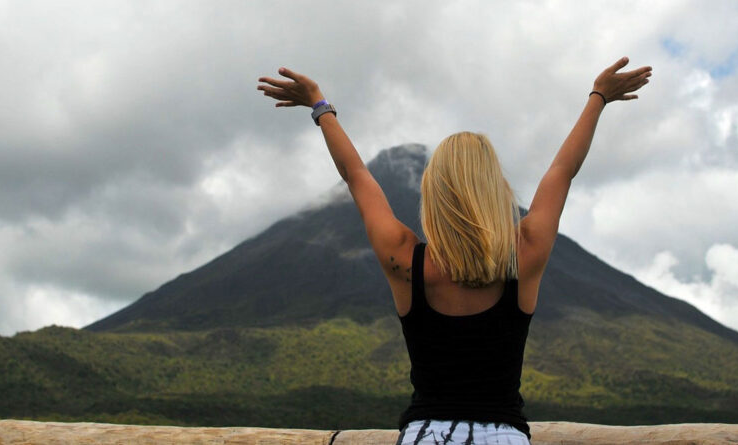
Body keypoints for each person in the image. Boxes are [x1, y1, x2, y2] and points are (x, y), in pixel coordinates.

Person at [257, 57, 652, 445]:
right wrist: (598, 97)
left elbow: (355, 175)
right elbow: (562, 171)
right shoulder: (526, 251)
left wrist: (320, 106)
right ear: (495, 186)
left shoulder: (405, 258)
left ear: (433, 191)